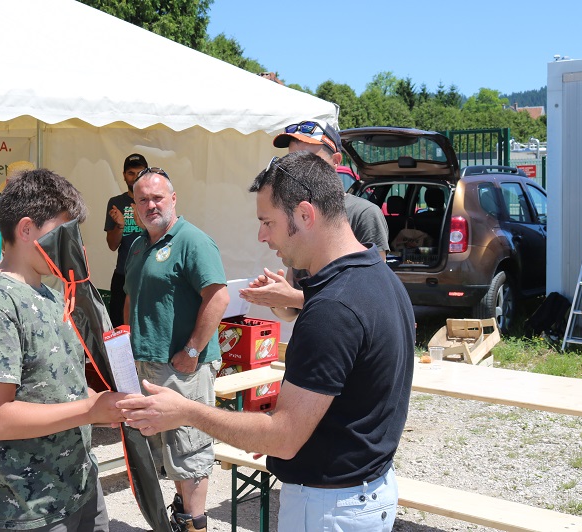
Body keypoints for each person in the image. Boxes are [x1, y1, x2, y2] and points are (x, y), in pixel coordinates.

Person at [118, 151, 415, 532]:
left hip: (328, 508)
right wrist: (272, 428)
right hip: (363, 492)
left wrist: (187, 412)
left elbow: (284, 438)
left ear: (304, 215)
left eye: (267, 222)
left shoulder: (332, 309)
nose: (262, 236)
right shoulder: (379, 278)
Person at [0, 168, 127, 532]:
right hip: (25, 508)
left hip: (78, 489)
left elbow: (56, 386)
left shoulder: (50, 295)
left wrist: (103, 404)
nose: (71, 245)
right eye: (63, 232)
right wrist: (90, 409)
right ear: (26, 229)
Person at [124, 167, 229, 532]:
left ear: (173, 199)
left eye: (157, 197)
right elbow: (132, 297)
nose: (150, 205)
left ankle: (194, 524)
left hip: (184, 367)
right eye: (142, 200)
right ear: (134, 207)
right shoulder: (138, 244)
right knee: (166, 452)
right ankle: (180, 518)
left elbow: (218, 297)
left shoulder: (192, 240)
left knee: (189, 450)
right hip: (147, 363)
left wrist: (193, 349)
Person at [240, 120, 389, 321]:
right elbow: (290, 313)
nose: (297, 171)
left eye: (308, 160)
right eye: (291, 161)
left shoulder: (364, 214)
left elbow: (373, 297)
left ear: (336, 161)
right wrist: (276, 299)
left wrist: (292, 297)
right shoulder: (293, 219)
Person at [104, 153, 148, 327]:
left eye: (140, 172)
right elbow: (112, 245)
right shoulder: (116, 203)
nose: (135, 177)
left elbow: (162, 237)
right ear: (123, 175)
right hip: (123, 275)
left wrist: (142, 222)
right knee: (119, 329)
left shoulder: (153, 202)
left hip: (148, 275)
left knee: (146, 326)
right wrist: (120, 225)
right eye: (131, 173)